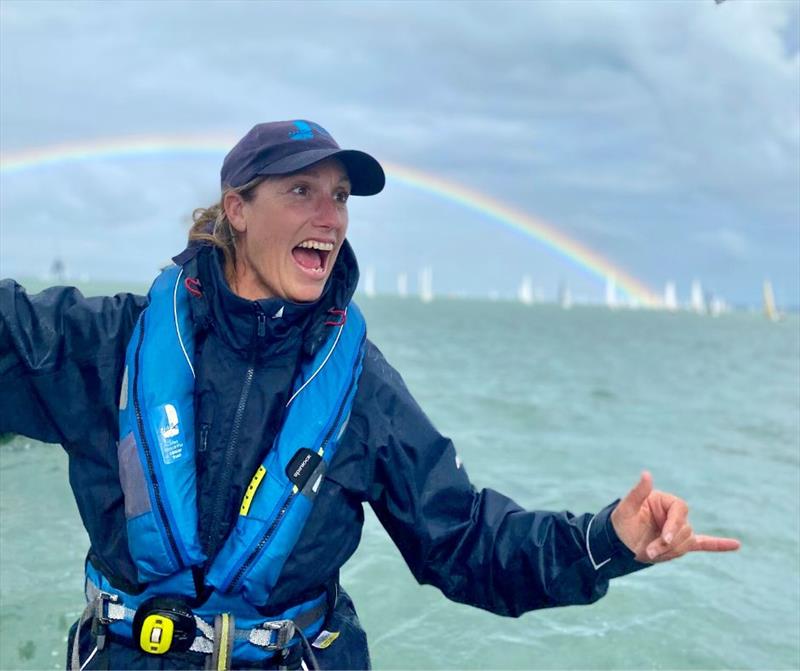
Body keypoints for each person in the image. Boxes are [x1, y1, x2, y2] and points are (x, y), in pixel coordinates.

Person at [0, 120, 740, 671]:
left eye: (341, 197)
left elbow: (466, 543)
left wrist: (608, 538)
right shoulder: (106, 344)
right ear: (237, 208)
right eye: (301, 191)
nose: (331, 217)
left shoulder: (362, 390)